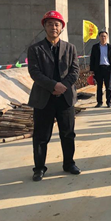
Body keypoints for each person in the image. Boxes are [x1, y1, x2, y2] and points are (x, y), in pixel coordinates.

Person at [27, 10, 80, 181]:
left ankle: (69, 163)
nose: (53, 27)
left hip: (65, 98)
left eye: (57, 24)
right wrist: (53, 86)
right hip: (44, 99)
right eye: (50, 24)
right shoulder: (35, 49)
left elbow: (75, 71)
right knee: (41, 136)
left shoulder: (70, 48)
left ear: (61, 27)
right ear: (44, 26)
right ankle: (39, 168)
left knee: (68, 133)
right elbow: (34, 72)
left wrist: (63, 86)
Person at [89, 30, 111, 108]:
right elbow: (92, 58)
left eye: (104, 36)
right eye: (101, 36)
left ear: (107, 37)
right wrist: (92, 70)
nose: (103, 38)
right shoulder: (95, 47)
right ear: (99, 37)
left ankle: (109, 102)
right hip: (98, 69)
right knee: (99, 87)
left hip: (108, 69)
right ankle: (99, 102)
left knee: (108, 87)